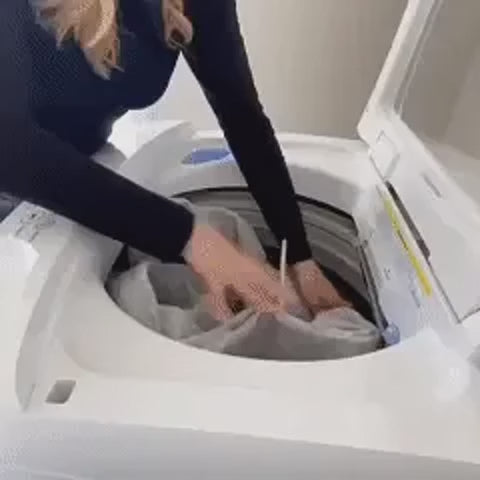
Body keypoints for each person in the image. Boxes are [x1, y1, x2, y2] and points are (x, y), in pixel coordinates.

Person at [0, 0, 347, 320]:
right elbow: (10, 144)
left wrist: (300, 257)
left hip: (80, 174)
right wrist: (192, 238)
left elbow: (241, 114)